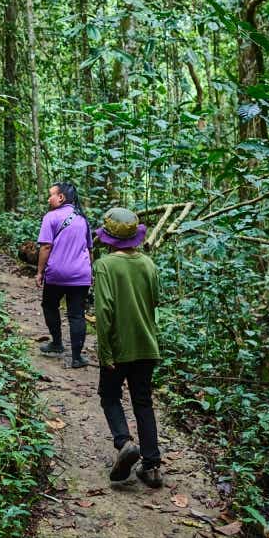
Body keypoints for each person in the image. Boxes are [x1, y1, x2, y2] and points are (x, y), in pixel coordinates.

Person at [93, 207, 163, 488]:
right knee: (143, 402)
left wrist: (105, 352)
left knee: (109, 395)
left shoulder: (105, 266)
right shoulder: (148, 264)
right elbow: (155, 300)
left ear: (108, 238)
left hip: (118, 346)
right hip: (147, 345)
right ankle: (152, 465)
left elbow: (104, 311)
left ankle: (124, 442)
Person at [35, 182, 94, 368]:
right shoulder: (82, 219)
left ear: (61, 197)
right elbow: (89, 249)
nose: (48, 198)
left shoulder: (50, 217)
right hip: (80, 275)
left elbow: (45, 247)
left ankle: (57, 343)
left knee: (49, 305)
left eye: (51, 195)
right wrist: (89, 272)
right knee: (77, 315)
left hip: (57, 274)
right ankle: (77, 357)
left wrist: (39, 272)